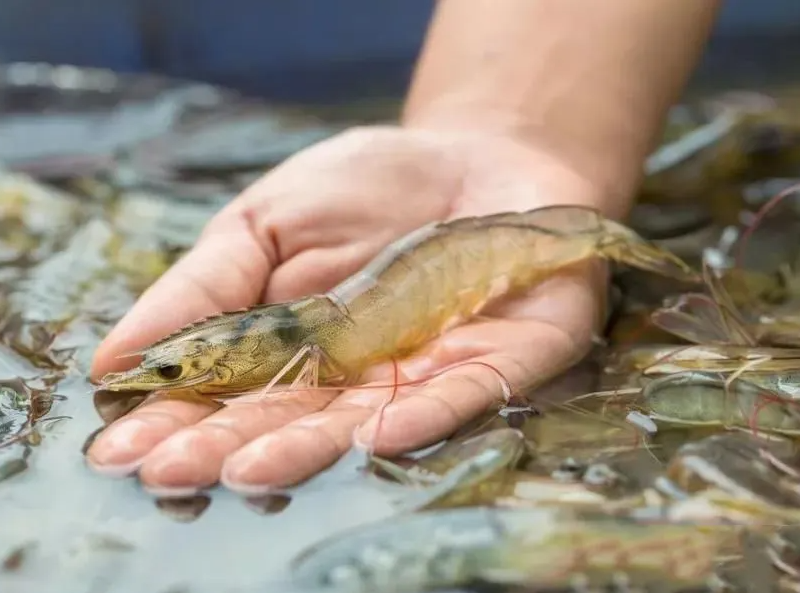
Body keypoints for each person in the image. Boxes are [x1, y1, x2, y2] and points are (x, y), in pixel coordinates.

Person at [85, 0, 721, 495]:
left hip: (463, 256)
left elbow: (302, 364)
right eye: (168, 369)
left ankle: (593, 237)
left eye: (169, 370)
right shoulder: (277, 336)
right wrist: (519, 132)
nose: (154, 378)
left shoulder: (299, 346)